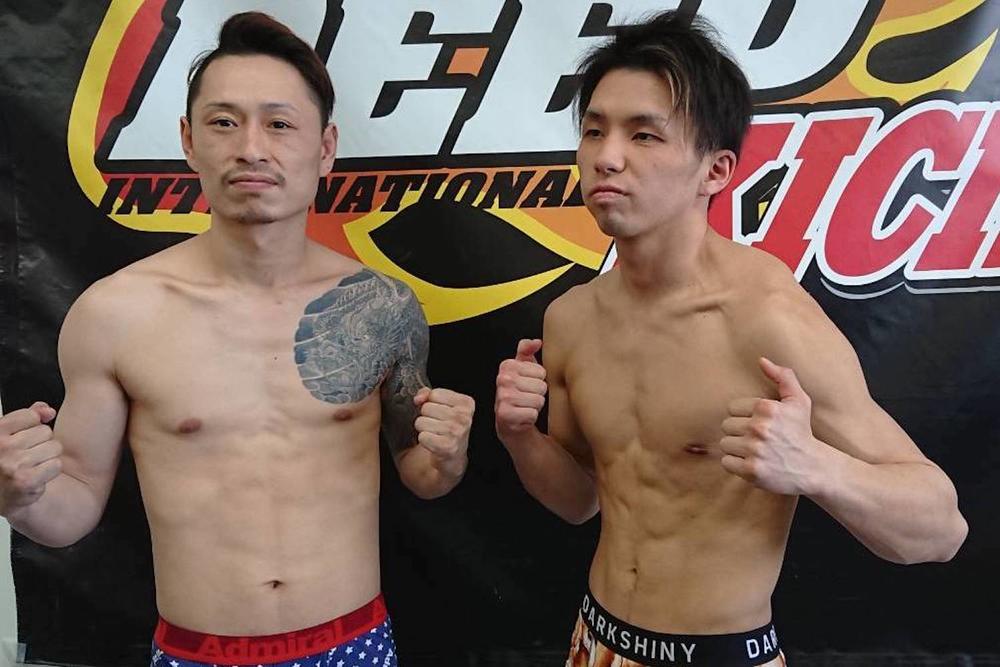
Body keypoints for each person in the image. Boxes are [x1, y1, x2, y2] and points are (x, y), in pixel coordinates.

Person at [494, 10, 967, 667]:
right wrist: (521, 437)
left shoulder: (766, 319)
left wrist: (814, 466)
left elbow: (941, 529)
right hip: (595, 641)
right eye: (594, 130)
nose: (606, 156)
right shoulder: (570, 319)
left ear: (715, 171)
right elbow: (580, 501)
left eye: (644, 134)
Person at [0, 12, 474, 667]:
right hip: (195, 652)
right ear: (189, 141)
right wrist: (19, 496)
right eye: (224, 122)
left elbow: (421, 472)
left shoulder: (379, 306)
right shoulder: (116, 313)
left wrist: (449, 456)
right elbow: (73, 504)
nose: (251, 148)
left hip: (352, 644)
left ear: (325, 148)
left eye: (279, 124)